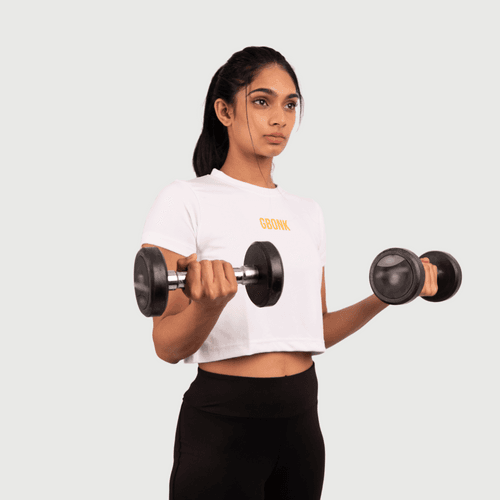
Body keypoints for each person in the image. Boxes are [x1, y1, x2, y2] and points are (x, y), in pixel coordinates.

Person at [140, 46, 438, 500]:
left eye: (290, 104)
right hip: (224, 423)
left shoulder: (307, 212)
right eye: (261, 101)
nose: (279, 118)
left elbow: (313, 331)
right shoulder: (186, 199)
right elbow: (166, 345)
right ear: (225, 110)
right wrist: (211, 305)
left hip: (301, 419)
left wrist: (387, 295)